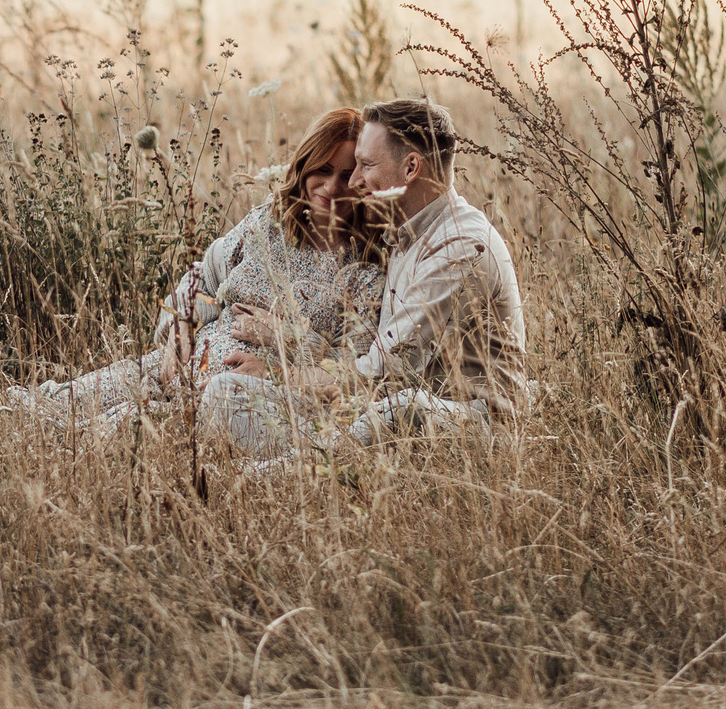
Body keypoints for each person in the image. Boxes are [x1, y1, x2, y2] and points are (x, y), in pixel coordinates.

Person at [0, 109, 385, 439]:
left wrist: (287, 339)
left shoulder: (363, 267)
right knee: (50, 400)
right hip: (170, 365)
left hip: (225, 399)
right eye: (322, 170)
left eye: (346, 173)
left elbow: (356, 369)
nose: (331, 187)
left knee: (91, 431)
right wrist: (176, 337)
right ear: (305, 166)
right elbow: (195, 281)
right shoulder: (268, 224)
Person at [200, 96, 528, 455]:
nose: (354, 181)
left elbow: (383, 376)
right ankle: (307, 459)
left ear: (411, 168)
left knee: (402, 408)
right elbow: (205, 272)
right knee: (227, 392)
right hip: (382, 415)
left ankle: (279, 473)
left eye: (365, 165)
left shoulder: (459, 248)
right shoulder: (404, 234)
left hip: (465, 429)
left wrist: (280, 372)